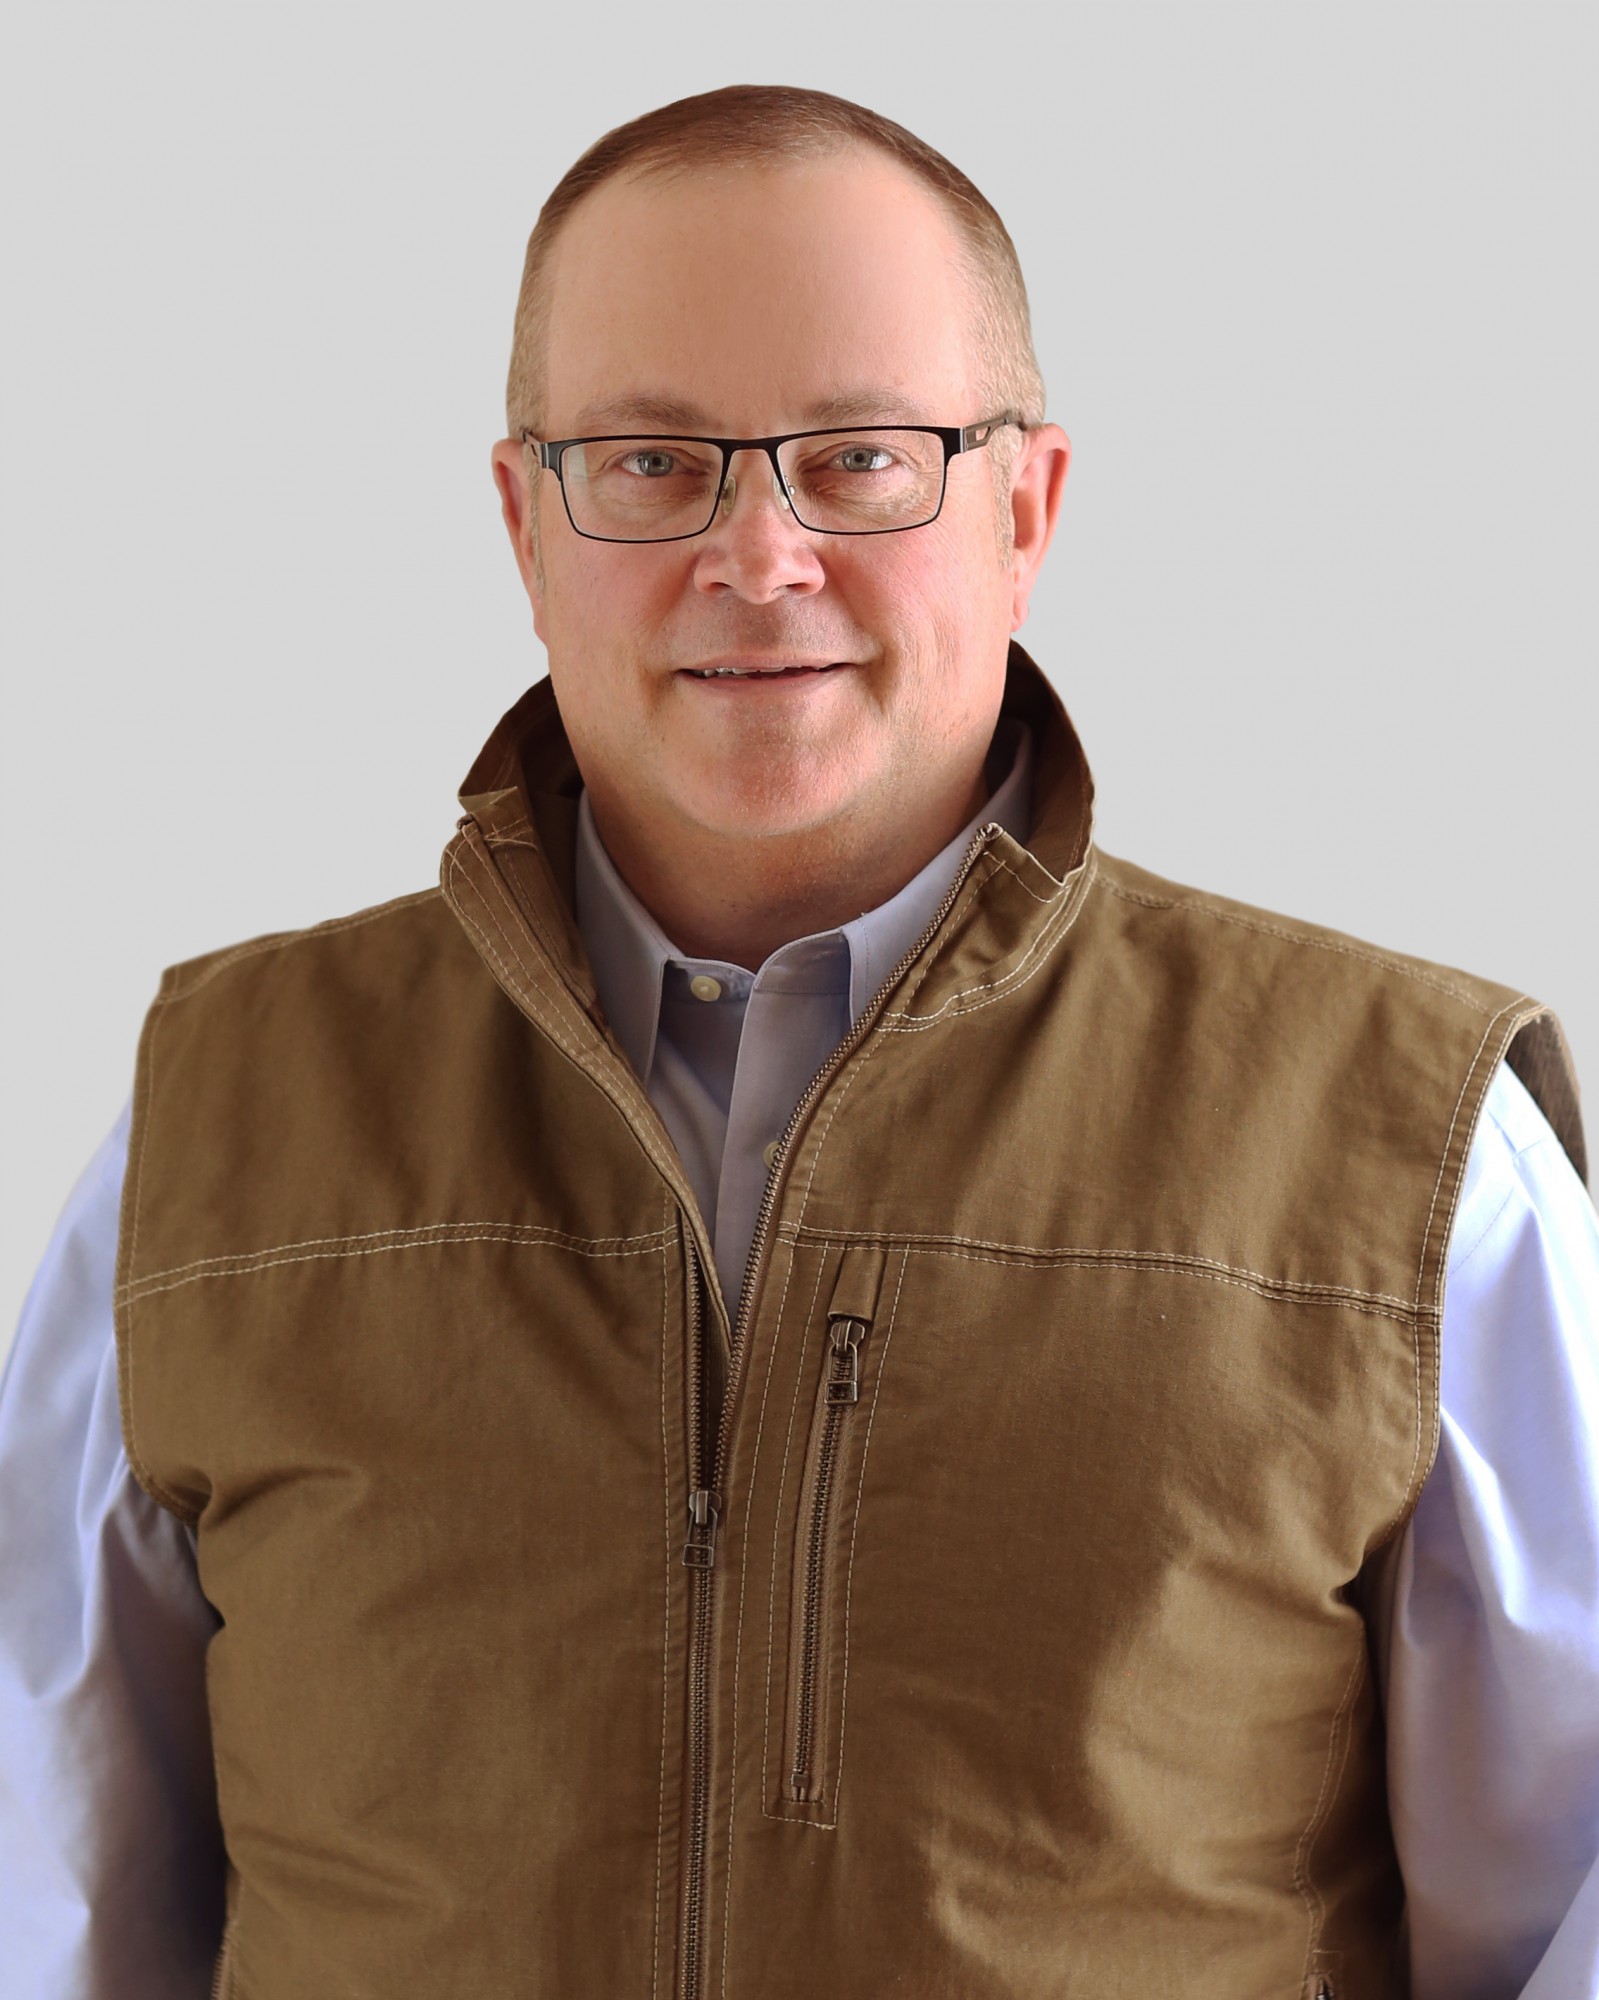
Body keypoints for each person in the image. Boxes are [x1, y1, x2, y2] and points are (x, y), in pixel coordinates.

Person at [1, 83, 1596, 2000]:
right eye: (653, 465)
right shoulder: (221, 1131)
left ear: (1030, 504)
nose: (759, 559)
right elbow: (48, 1907)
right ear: (525, 522)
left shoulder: (1395, 1152)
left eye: (860, 458)